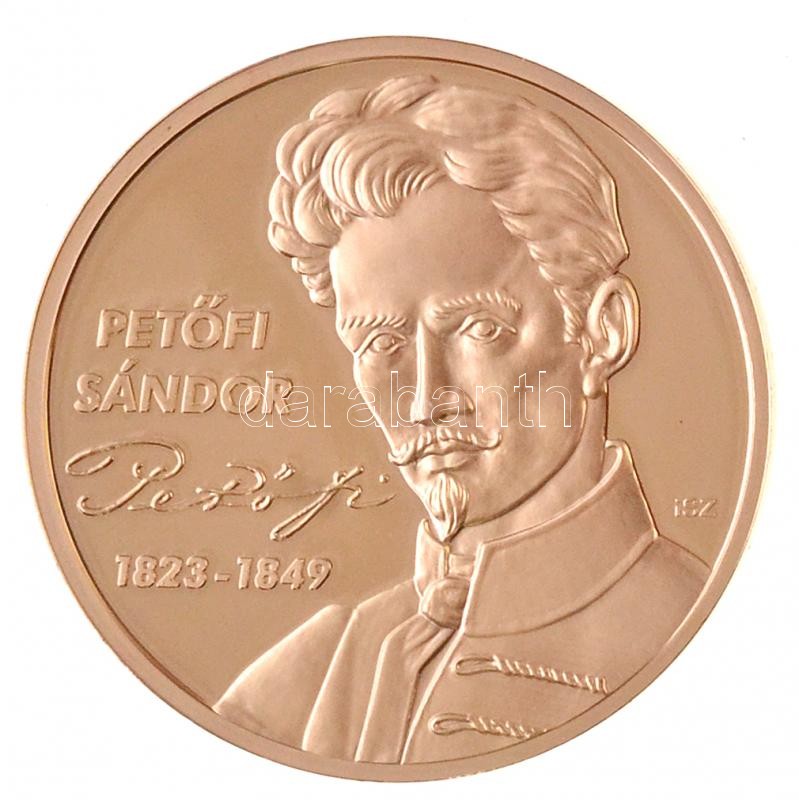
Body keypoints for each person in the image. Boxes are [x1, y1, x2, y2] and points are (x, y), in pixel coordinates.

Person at [214, 75, 708, 764]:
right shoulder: (300, 687)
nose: (425, 399)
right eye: (380, 344)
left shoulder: (705, 644)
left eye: (479, 328)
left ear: (602, 333)